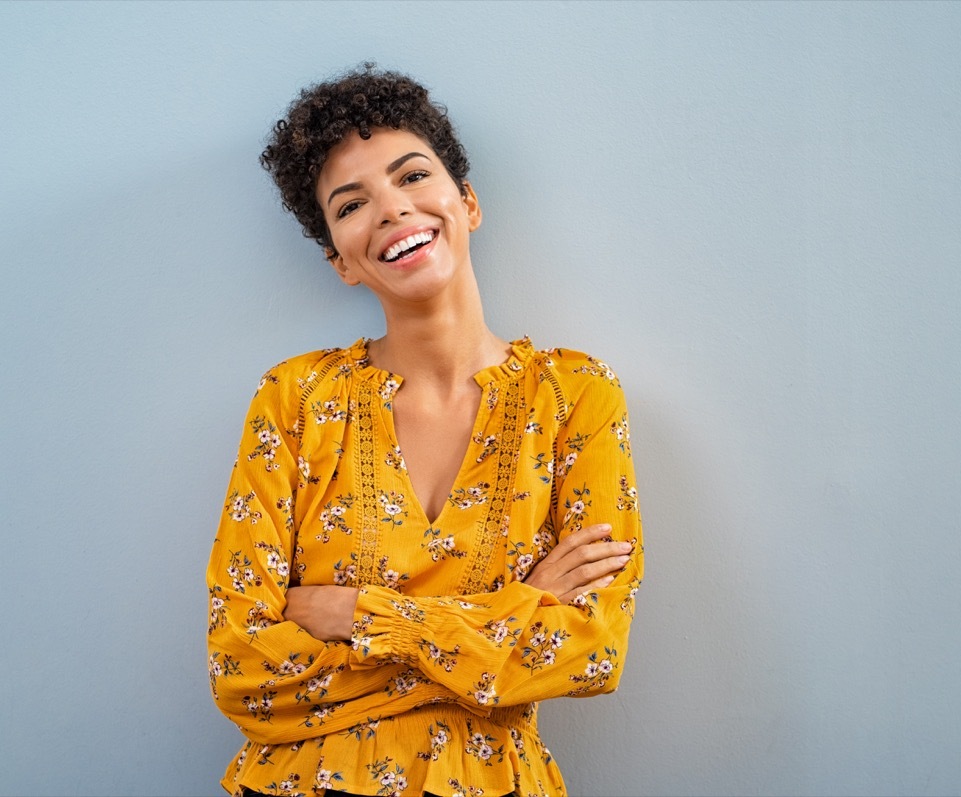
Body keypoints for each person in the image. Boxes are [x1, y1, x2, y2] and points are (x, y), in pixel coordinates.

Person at [205, 65, 643, 797]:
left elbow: (591, 653)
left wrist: (357, 614)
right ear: (339, 260)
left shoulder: (575, 397)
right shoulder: (296, 399)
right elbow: (242, 670)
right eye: (352, 204)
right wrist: (506, 621)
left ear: (467, 202)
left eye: (411, 175)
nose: (391, 209)